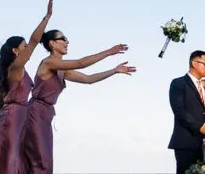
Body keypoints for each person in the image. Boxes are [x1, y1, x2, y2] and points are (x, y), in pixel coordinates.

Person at [21, 29, 133, 174]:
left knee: (45, 161)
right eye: (63, 38)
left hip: (45, 114)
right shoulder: (48, 63)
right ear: (53, 44)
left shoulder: (62, 69)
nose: (67, 42)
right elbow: (80, 63)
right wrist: (108, 52)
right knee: (39, 161)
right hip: (34, 113)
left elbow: (89, 79)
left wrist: (114, 70)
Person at [0, 0, 53, 174]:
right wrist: (47, 17)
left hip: (18, 118)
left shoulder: (17, 70)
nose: (28, 49)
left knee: (19, 165)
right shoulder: (15, 67)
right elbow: (34, 41)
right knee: (7, 165)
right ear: (15, 51)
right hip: (12, 119)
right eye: (23, 47)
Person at [169, 50, 205, 174]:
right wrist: (200, 127)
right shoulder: (178, 83)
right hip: (186, 141)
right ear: (194, 63)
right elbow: (179, 110)